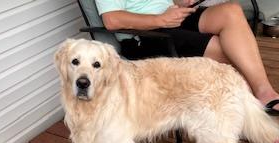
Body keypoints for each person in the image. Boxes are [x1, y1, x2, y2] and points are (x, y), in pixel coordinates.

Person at [95, 0, 279, 116]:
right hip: (145, 35)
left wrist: (180, 2)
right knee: (226, 48)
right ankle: (250, 112)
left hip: (172, 18)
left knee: (231, 10)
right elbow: (112, 20)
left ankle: (264, 92)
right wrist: (160, 20)